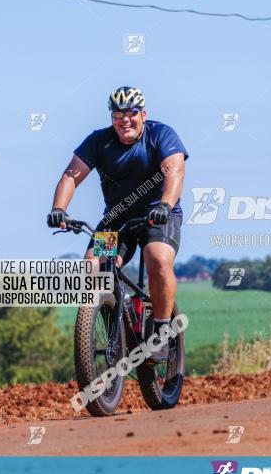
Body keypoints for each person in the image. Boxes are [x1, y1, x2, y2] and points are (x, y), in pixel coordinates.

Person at [47, 86, 188, 360]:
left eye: (131, 113)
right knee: (92, 268)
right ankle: (117, 323)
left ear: (143, 115)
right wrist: (59, 209)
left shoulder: (161, 134)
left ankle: (160, 330)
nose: (125, 120)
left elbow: (176, 171)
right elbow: (71, 176)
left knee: (157, 258)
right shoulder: (99, 141)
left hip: (157, 215)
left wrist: (165, 204)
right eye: (118, 114)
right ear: (111, 117)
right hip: (116, 220)